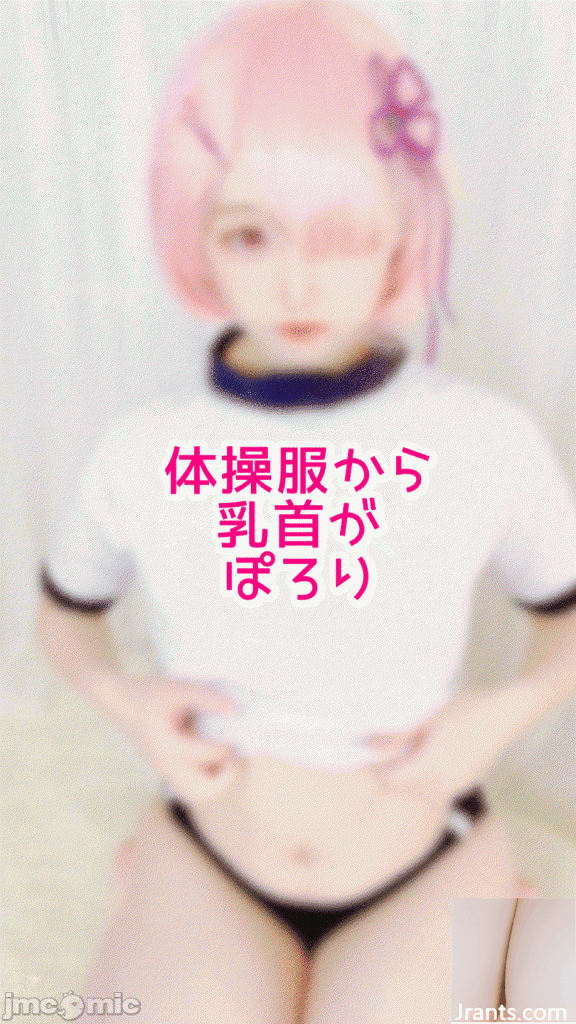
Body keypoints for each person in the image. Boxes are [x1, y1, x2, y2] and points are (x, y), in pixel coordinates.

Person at [36, 2, 576, 1021]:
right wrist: (125, 701)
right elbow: (64, 614)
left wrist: (501, 714)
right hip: (210, 848)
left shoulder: (486, 440)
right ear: (195, 231)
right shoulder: (140, 451)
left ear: (402, 229)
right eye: (250, 233)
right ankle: (146, 890)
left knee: (525, 993)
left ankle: (512, 919)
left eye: (341, 233)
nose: (296, 280)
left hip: (431, 845)